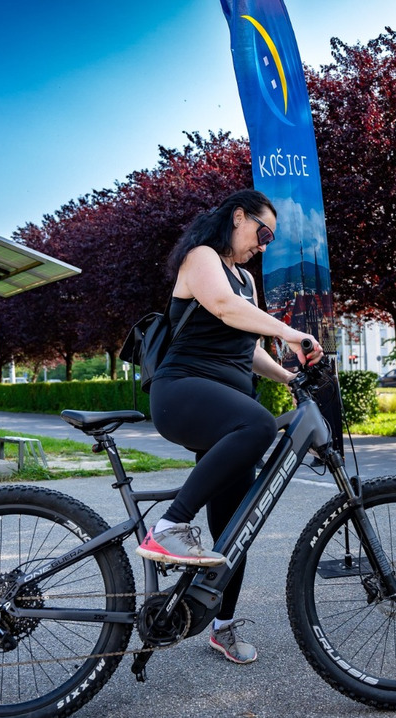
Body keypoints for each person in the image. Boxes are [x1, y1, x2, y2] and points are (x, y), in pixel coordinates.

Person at [139, 189, 323, 663]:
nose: (264, 245)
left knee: (237, 524)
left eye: (270, 240)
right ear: (238, 217)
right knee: (259, 426)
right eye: (263, 233)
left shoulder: (246, 280)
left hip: (227, 407)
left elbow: (249, 348)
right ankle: (169, 525)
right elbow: (222, 306)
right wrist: (290, 331)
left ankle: (221, 625)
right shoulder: (202, 258)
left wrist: (290, 378)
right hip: (183, 392)